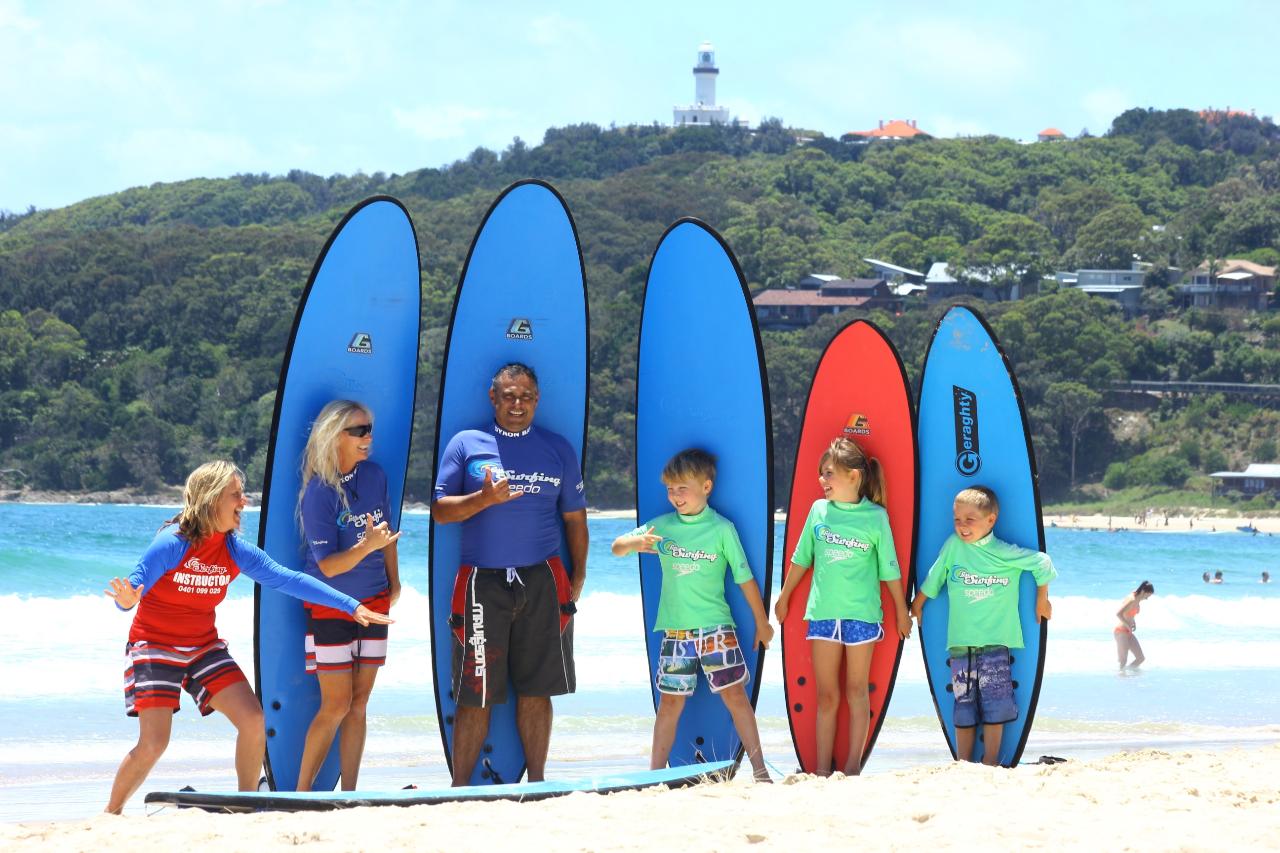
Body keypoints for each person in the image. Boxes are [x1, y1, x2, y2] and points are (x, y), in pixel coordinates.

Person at [102, 460, 392, 814]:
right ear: (211, 500)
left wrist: (350, 606)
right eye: (235, 495)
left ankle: (244, 807)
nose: (244, 501)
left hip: (202, 645)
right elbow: (135, 584)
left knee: (254, 720)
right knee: (154, 742)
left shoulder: (234, 549)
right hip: (155, 644)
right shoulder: (172, 543)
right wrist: (127, 600)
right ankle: (111, 814)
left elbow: (289, 579)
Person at [432, 363, 588, 785]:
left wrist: (579, 575)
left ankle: (537, 781)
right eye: (509, 395)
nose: (517, 404)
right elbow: (440, 512)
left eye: (526, 396)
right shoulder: (467, 443)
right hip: (482, 582)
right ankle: (459, 786)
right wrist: (482, 499)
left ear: (537, 400)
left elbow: (574, 518)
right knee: (475, 693)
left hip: (542, 578)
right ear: (493, 397)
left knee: (538, 690)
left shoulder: (557, 448)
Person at [611, 449, 773, 782]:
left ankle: (760, 772)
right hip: (677, 634)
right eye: (670, 489)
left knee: (736, 698)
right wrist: (633, 543)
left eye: (682, 488)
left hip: (716, 629)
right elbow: (616, 546)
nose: (675, 496)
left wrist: (762, 622)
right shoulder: (661, 527)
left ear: (706, 487)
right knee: (669, 704)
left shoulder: (721, 528)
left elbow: (744, 578)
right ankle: (652, 777)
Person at [774, 437, 911, 777]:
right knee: (827, 697)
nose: (822, 481)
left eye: (829, 474)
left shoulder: (875, 517)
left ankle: (852, 767)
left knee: (856, 691)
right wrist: (784, 595)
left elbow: (889, 568)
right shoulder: (819, 511)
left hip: (862, 617)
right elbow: (801, 558)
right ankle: (820, 770)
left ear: (853, 476)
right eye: (822, 474)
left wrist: (900, 610)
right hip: (822, 615)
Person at [295, 400, 402, 792]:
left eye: (369, 428)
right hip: (331, 604)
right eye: (358, 431)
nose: (368, 437)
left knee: (359, 704)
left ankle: (351, 793)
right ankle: (301, 793)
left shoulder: (374, 475)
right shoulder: (318, 492)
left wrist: (395, 580)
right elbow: (328, 567)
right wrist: (366, 545)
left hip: (374, 601)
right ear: (333, 435)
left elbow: (386, 532)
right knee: (336, 705)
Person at [910, 486, 1055, 767]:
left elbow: (1042, 562)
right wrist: (917, 604)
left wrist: (1041, 600)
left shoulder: (1003, 553)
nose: (962, 526)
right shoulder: (954, 546)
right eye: (957, 519)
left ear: (991, 520)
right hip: (961, 642)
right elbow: (935, 576)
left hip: (995, 641)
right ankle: (963, 762)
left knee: (995, 703)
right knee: (963, 705)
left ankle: (990, 761)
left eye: (970, 519)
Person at [1114, 581, 1154, 669]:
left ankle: (1129, 674)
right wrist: (1128, 626)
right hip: (1121, 632)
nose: (1147, 598)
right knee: (1123, 661)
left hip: (1128, 632)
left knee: (1140, 658)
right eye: (1147, 596)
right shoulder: (1132, 599)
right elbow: (1118, 614)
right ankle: (1120, 679)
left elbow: (1129, 613)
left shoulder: (1137, 597)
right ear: (1143, 591)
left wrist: (1133, 622)